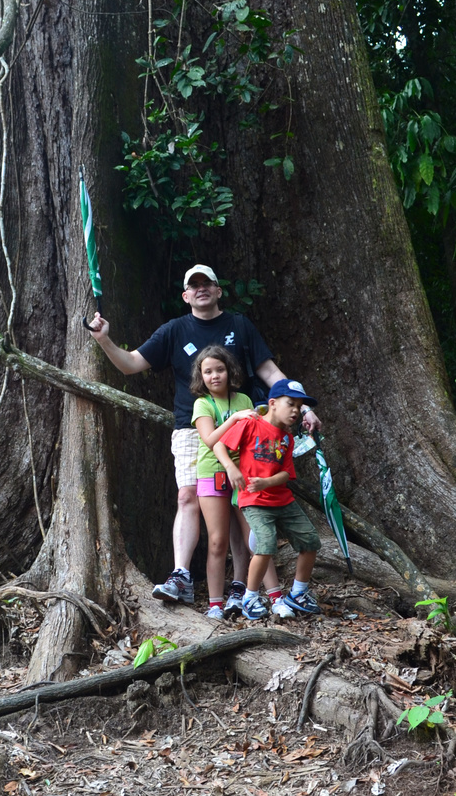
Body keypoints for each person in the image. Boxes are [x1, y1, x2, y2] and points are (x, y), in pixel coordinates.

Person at [87, 264, 320, 605]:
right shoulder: (174, 330)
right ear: (185, 295)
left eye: (206, 283)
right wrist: (103, 339)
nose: (201, 289)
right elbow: (131, 364)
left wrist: (305, 406)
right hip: (194, 427)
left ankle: (243, 587)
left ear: (218, 289)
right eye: (193, 286)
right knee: (188, 496)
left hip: (245, 429)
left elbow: (267, 369)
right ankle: (181, 575)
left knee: (245, 504)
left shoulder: (239, 325)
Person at [210, 379, 322, 620]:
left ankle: (298, 592)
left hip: (282, 499)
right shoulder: (251, 424)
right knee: (265, 543)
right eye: (290, 404)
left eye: (299, 406)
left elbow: (286, 474)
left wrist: (267, 482)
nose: (295, 410)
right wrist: (231, 467)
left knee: (310, 540)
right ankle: (250, 597)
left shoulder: (287, 439)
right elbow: (219, 446)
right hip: (254, 499)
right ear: (272, 403)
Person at [190, 345, 281, 617]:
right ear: (201, 376)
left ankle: (262, 595)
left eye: (220, 369)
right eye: (208, 371)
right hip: (212, 473)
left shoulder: (242, 399)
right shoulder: (202, 403)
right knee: (217, 541)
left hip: (245, 474)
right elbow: (209, 439)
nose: (215, 375)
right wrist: (237, 419)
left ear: (230, 371)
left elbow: (255, 436)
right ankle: (215, 604)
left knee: (254, 537)